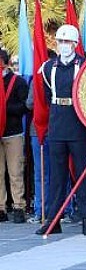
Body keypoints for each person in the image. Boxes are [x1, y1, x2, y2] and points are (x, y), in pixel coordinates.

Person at [35, 25, 86, 236]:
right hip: (57, 122)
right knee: (57, 175)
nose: (64, 46)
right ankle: (54, 219)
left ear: (75, 44)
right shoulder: (48, 68)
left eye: (68, 42)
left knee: (83, 172)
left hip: (78, 124)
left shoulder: (85, 65)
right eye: (60, 42)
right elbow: (46, 96)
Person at [0, 49, 29, 223]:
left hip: (13, 133)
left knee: (15, 171)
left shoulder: (17, 82)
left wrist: (5, 110)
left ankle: (19, 206)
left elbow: (25, 106)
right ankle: (1, 208)